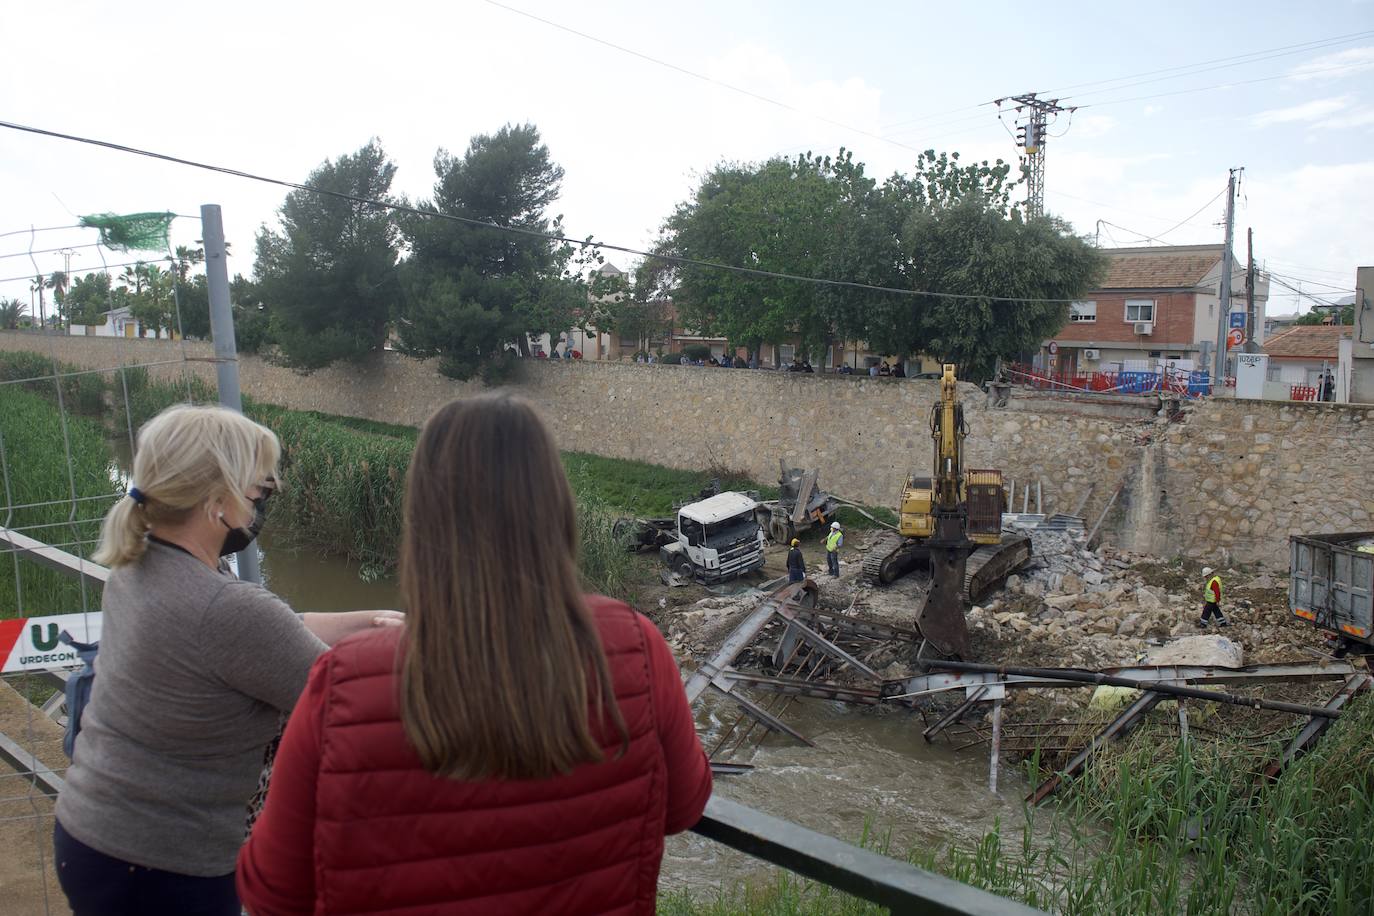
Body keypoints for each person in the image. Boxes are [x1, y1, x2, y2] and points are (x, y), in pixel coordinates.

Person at [237, 393, 713, 915]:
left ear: (423, 522)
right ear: (556, 508)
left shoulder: (344, 683)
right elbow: (684, 806)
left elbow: (272, 892)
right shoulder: (637, 646)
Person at [53, 405, 401, 916]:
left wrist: (372, 620)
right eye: (261, 488)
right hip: (165, 869)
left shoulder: (141, 563)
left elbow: (271, 629)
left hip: (92, 833)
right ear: (219, 499)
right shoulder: (226, 610)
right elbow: (353, 708)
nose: (265, 499)